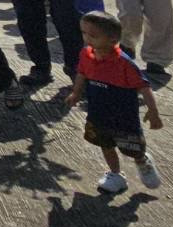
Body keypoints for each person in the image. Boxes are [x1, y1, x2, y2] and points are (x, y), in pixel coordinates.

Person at [66, 10, 163, 194]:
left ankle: (142, 160)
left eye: (93, 35)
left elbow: (143, 86)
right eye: (84, 33)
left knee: (131, 146)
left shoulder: (124, 64)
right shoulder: (86, 54)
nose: (87, 39)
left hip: (123, 116)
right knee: (106, 144)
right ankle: (115, 174)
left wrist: (153, 111)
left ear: (112, 40)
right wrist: (76, 93)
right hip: (98, 111)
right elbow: (82, 73)